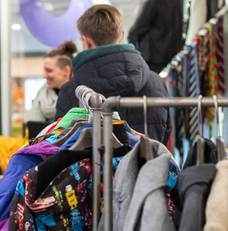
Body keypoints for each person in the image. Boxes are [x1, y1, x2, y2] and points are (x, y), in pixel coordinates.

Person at [55, 4, 170, 143]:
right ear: (121, 35)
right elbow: (165, 136)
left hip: (94, 164)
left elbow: (60, 143)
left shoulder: (72, 91)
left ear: (86, 41)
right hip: (148, 164)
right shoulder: (157, 82)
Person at [27, 41, 77, 124]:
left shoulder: (78, 98)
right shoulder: (41, 94)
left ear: (66, 71)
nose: (44, 76)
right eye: (45, 70)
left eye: (49, 70)